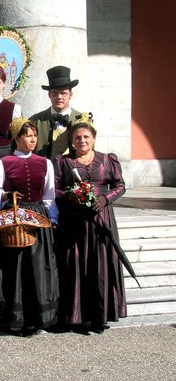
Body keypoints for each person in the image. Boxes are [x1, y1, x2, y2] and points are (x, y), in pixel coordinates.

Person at [53, 114, 126, 333]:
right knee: (76, 265)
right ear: (71, 141)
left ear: (93, 138)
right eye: (77, 137)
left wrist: (105, 199)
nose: (82, 141)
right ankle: (76, 315)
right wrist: (71, 196)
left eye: (86, 137)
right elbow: (54, 189)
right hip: (75, 222)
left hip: (101, 220)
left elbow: (120, 185)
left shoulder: (107, 160)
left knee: (100, 265)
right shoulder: (63, 162)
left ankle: (99, 316)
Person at [0, 118, 59, 335]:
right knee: (16, 270)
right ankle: (16, 319)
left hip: (38, 219)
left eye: (34, 135)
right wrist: (7, 195)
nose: (32, 139)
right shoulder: (3, 163)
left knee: (37, 269)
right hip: (16, 221)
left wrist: (52, 220)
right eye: (27, 135)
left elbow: (49, 196)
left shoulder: (45, 163)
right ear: (17, 138)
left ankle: (38, 318)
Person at [29, 66, 83, 159]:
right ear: (49, 95)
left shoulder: (83, 120)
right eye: (55, 93)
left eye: (63, 93)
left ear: (70, 95)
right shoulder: (35, 121)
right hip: (44, 170)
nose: (59, 97)